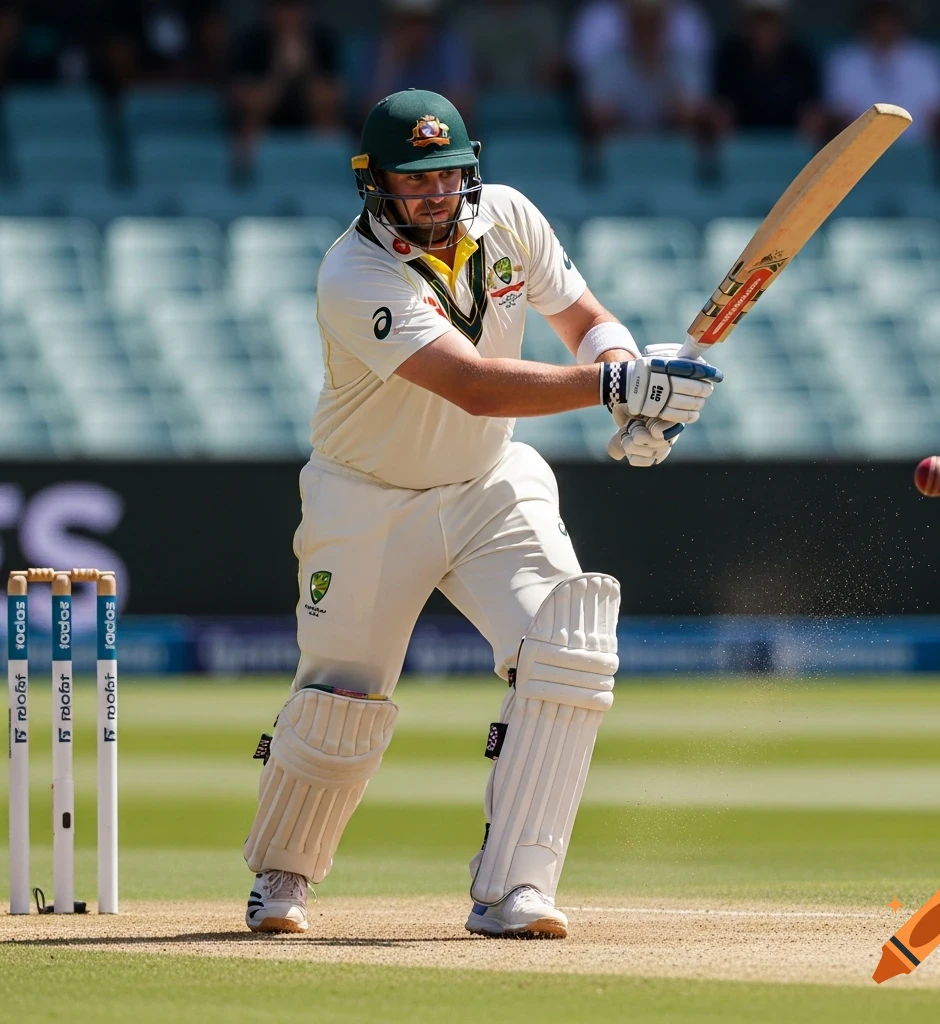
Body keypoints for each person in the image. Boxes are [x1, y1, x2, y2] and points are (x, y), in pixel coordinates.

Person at [240, 88, 722, 939]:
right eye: (412, 178)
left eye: (448, 173)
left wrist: (628, 381)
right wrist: (618, 385)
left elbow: (584, 321)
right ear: (374, 182)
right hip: (365, 497)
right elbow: (469, 384)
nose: (433, 193)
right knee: (340, 699)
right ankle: (283, 874)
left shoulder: (508, 218)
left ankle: (515, 890)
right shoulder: (354, 273)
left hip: (489, 482)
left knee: (568, 646)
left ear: (473, 168)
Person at [824, 0, 940, 141]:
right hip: (860, 150)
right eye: (878, 17)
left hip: (919, 149)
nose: (883, 25)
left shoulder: (928, 59)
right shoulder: (843, 60)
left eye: (889, 18)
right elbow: (839, 114)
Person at [580, 0, 705, 136]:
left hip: (673, 150)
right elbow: (597, 116)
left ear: (666, 25)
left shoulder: (683, 63)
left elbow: (691, 114)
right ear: (629, 25)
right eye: (641, 22)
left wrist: (682, 110)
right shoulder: (607, 63)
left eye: (655, 23)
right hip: (619, 150)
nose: (648, 30)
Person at [232, 0, 342, 145]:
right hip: (264, 135)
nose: (289, 17)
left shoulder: (324, 40)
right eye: (282, 8)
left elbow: (330, 102)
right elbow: (248, 105)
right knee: (247, 123)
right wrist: (279, 72)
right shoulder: (251, 42)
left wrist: (306, 68)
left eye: (295, 8)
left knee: (331, 124)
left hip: (312, 132)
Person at [710, 0, 823, 137]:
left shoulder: (803, 59)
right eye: (759, 22)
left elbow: (813, 114)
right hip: (738, 147)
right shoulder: (728, 57)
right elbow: (720, 111)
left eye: (771, 22)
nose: (765, 30)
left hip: (793, 148)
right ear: (745, 24)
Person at [366, 0, 472, 118]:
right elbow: (371, 113)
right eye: (407, 22)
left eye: (421, 21)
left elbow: (461, 106)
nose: (415, 30)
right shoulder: (380, 50)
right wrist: (390, 63)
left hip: (437, 128)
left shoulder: (450, 47)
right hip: (393, 130)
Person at [456, 0, 561, 94]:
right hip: (482, 102)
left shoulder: (540, 15)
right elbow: (460, 77)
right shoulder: (468, 19)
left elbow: (550, 68)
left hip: (536, 101)